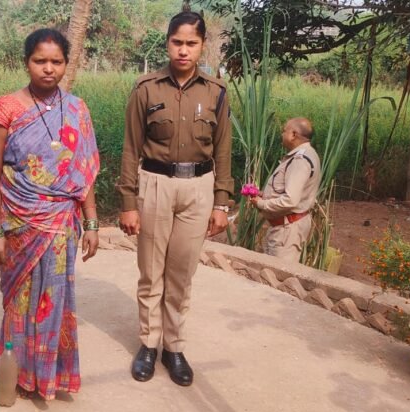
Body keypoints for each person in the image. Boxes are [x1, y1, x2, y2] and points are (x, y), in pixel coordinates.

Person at [0, 28, 100, 401]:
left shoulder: (78, 109)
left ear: (66, 63)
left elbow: (84, 172)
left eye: (56, 61)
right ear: (26, 62)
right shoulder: (6, 109)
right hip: (19, 223)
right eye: (40, 61)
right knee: (19, 302)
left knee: (55, 302)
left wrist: (92, 222)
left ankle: (49, 377)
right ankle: (17, 376)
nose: (48, 69)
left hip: (63, 224)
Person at [118, 11, 233, 387]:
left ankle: (174, 347)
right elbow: (131, 148)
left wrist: (221, 203)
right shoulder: (146, 88)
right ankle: (148, 345)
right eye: (177, 42)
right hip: (155, 184)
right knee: (151, 272)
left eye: (191, 43)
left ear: (202, 46)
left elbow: (223, 150)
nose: (184, 50)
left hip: (198, 188)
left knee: (181, 274)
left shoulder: (216, 92)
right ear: (167, 43)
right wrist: (128, 203)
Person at [249, 117, 321, 263]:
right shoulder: (306, 154)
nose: (282, 134)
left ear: (293, 134)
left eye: (284, 131)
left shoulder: (300, 160)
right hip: (286, 228)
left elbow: (290, 200)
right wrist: (264, 195)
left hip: (287, 231)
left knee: (278, 272)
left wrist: (261, 203)